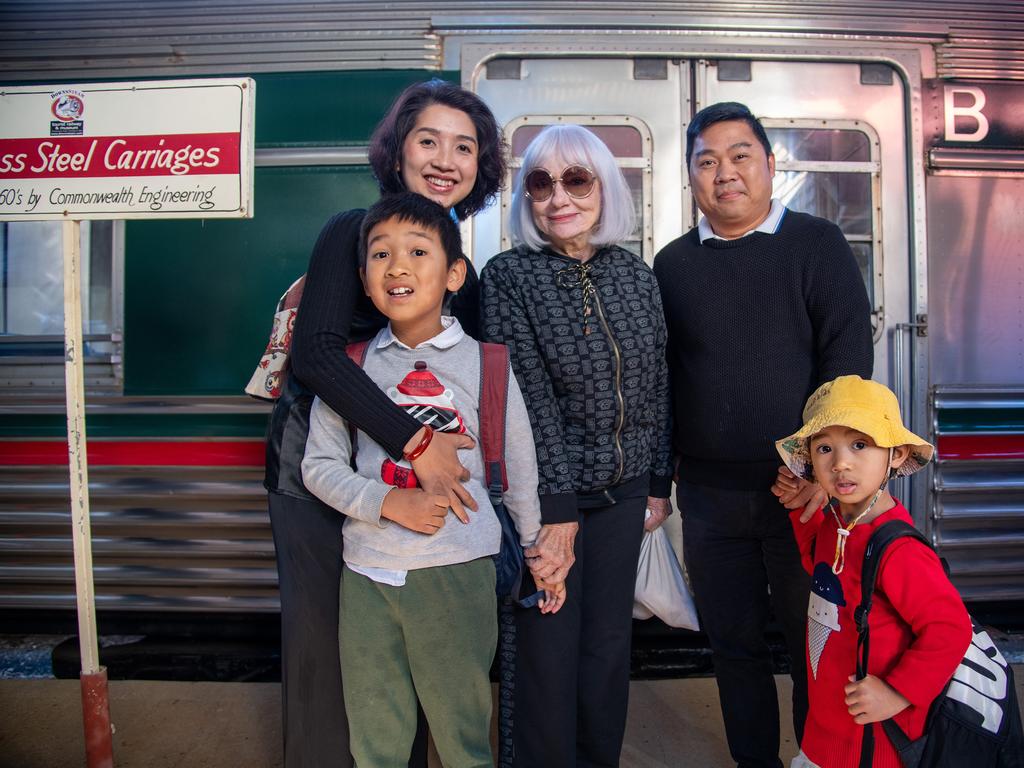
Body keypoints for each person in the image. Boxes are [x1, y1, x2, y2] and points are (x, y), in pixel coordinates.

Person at [262, 79, 507, 767]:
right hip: (319, 479)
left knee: (423, 659)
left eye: (465, 148)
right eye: (429, 140)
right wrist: (418, 441)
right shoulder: (351, 232)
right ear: (398, 151)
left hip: (418, 490)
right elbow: (315, 355)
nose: (445, 159)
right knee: (329, 662)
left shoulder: (468, 278)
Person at [301, 192, 561, 768]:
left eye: (418, 252)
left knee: (462, 733)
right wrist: (388, 501)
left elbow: (520, 469)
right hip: (366, 572)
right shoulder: (351, 367)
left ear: (453, 274)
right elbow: (317, 467)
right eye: (379, 255)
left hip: (456, 575)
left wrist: (540, 549)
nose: (396, 266)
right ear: (364, 281)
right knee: (376, 736)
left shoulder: (488, 364)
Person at [652, 101, 874, 768]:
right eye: (707, 160)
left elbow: (846, 365)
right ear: (690, 176)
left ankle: (819, 759)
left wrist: (818, 473)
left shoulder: (816, 245)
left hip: (800, 496)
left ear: (770, 165)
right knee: (735, 648)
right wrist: (660, 484)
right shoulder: (673, 265)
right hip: (710, 499)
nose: (725, 172)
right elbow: (663, 380)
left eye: (740, 155)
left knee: (815, 644)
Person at [480, 123, 674, 767]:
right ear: (526, 197)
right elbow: (524, 399)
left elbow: (659, 382)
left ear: (604, 187)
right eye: (541, 182)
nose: (558, 196)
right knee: (546, 650)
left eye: (577, 179)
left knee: (606, 651)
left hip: (622, 498)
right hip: (547, 502)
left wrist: (657, 482)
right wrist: (554, 512)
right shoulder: (508, 277)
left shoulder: (636, 275)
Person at [775, 375, 972, 768]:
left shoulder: (897, 550)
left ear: (896, 454)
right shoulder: (836, 521)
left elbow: (951, 628)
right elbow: (824, 574)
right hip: (825, 728)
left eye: (859, 444)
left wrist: (898, 693)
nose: (841, 463)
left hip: (873, 744)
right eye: (825, 447)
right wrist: (801, 510)